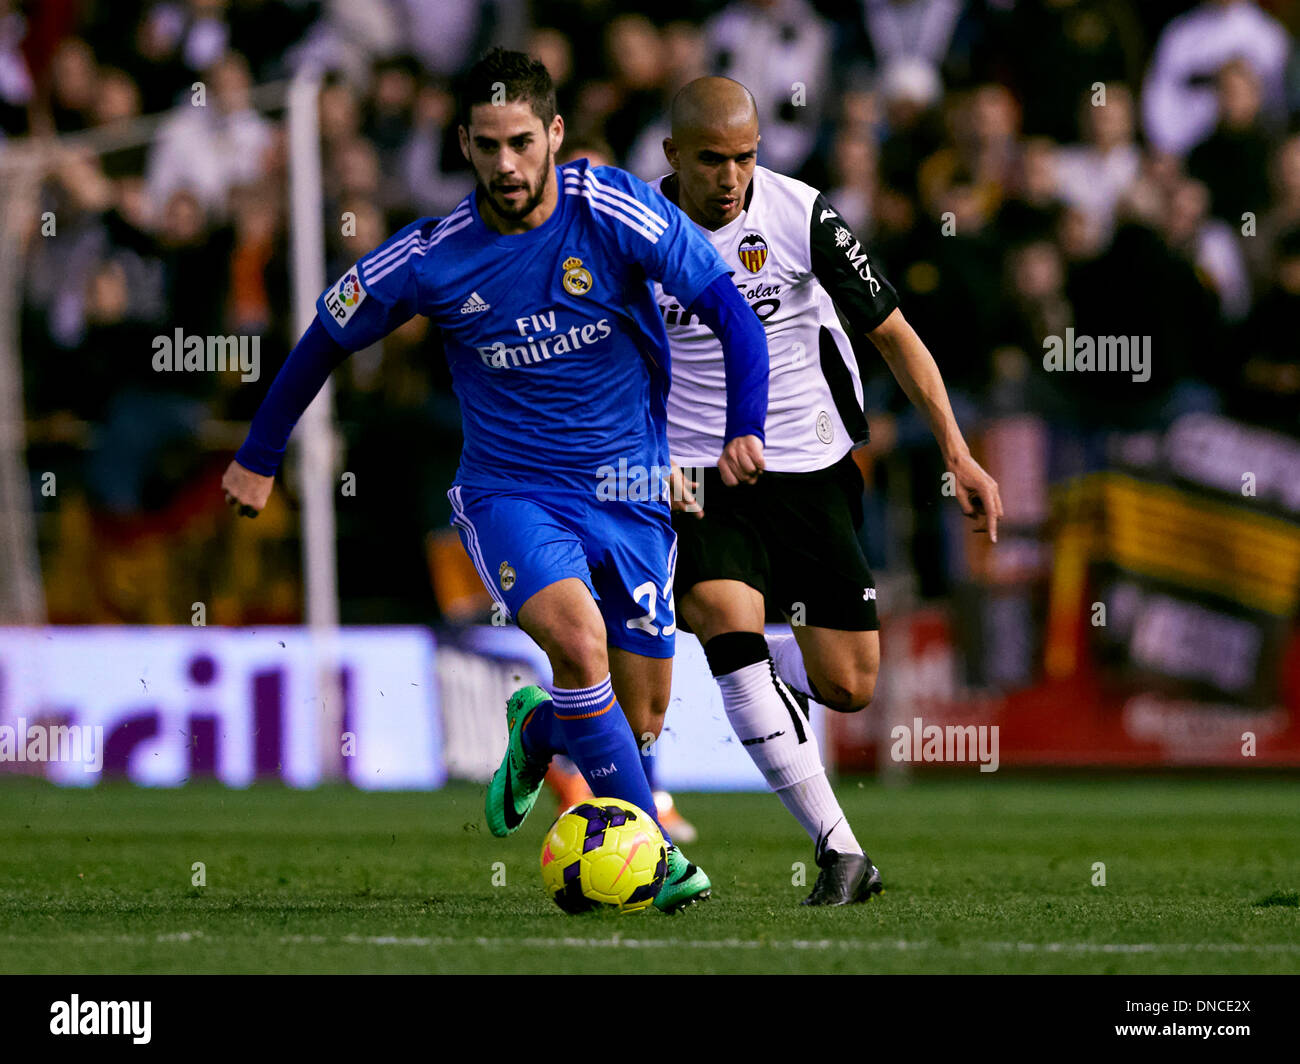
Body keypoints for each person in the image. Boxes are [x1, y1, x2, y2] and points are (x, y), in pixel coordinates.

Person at [221, 50, 770, 912]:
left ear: (554, 134)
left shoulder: (616, 209)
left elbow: (731, 312)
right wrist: (259, 455)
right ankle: (654, 854)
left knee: (644, 712)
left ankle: (539, 727)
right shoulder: (434, 258)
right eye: (487, 146)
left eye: (522, 141)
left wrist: (745, 427)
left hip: (633, 486)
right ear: (464, 147)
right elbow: (327, 333)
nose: (507, 165)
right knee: (579, 644)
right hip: (511, 491)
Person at [654, 76, 1002, 904]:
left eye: (744, 157)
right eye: (712, 160)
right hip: (697, 475)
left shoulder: (802, 214)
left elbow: (892, 333)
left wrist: (959, 452)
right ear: (673, 156)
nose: (731, 177)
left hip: (808, 468)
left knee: (849, 685)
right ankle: (841, 852)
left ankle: (741, 670)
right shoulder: (640, 230)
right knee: (727, 622)